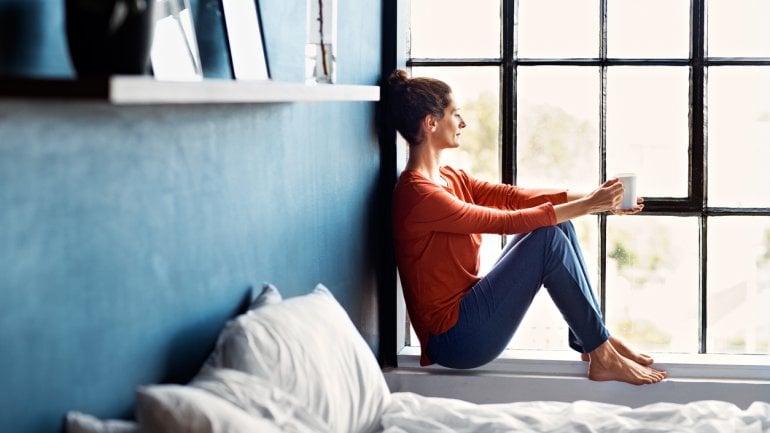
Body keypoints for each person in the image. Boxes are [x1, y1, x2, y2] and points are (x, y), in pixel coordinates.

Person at [387, 69, 667, 385]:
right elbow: (504, 221)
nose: (463, 123)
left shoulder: (450, 177)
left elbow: (513, 198)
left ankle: (593, 341)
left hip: (469, 315)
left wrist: (598, 197)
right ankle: (601, 351)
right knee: (547, 237)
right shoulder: (418, 194)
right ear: (431, 123)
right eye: (455, 114)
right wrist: (590, 205)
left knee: (559, 229)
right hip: (455, 340)